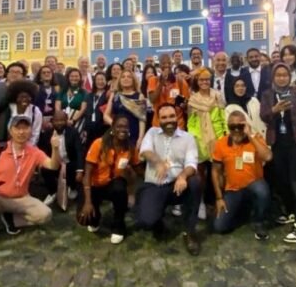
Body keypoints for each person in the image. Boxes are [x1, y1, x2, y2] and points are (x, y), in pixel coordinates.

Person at [0, 116, 57, 255]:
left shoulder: (34, 151)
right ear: (10, 130)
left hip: (21, 198)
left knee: (45, 214)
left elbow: (53, 165)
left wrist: (55, 149)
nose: (21, 132)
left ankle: (11, 219)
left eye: (25, 128)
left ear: (30, 131)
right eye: (18, 128)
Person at [260, 63, 296, 243]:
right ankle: (292, 211)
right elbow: (264, 116)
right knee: (283, 181)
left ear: (289, 76)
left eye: (285, 75)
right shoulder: (268, 95)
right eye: (278, 75)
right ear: (273, 77)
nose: (282, 78)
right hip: (277, 144)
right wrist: (274, 110)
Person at [136, 104, 203, 255]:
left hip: (177, 186)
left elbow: (192, 164)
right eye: (164, 117)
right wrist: (158, 162)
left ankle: (190, 232)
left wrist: (183, 176)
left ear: (177, 117)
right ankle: (157, 221)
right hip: (155, 184)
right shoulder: (152, 132)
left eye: (171, 116)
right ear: (158, 119)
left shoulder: (188, 138)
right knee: (146, 221)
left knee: (195, 182)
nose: (169, 120)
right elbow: (145, 151)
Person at [78, 115, 139, 245]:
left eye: (126, 127)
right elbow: (87, 174)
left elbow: (136, 173)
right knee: (84, 219)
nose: (123, 129)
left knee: (119, 188)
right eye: (119, 126)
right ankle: (95, 217)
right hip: (95, 185)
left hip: (114, 184)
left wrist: (131, 192)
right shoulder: (98, 144)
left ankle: (118, 225)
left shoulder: (130, 147)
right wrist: (87, 202)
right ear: (112, 128)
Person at [211, 111, 273, 240]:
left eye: (240, 126)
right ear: (228, 127)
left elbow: (267, 156)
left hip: (253, 184)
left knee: (262, 190)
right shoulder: (221, 143)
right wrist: (219, 198)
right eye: (232, 127)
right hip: (233, 189)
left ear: (245, 125)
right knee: (219, 227)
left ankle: (259, 221)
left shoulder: (255, 138)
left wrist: (250, 135)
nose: (237, 130)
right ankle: (243, 213)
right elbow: (215, 171)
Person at [187, 68, 227, 220]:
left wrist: (224, 134)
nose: (204, 82)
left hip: (217, 138)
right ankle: (201, 202)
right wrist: (194, 137)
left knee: (219, 170)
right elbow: (191, 122)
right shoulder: (193, 99)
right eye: (201, 80)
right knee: (201, 173)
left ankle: (220, 199)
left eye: (206, 79)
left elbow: (223, 117)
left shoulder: (217, 96)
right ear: (197, 82)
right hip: (199, 139)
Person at [41, 111, 85, 208]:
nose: (60, 123)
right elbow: (43, 152)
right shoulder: (47, 134)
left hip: (69, 163)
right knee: (44, 169)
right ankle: (53, 192)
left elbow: (79, 151)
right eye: (57, 120)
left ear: (66, 121)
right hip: (54, 162)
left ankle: (72, 187)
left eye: (62, 120)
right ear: (52, 121)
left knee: (74, 167)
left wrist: (80, 170)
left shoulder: (73, 132)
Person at [0, 80, 42, 146]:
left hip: (27, 147)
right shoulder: (7, 108)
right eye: (22, 97)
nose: (24, 99)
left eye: (27, 97)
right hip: (4, 146)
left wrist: (26, 149)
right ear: (15, 98)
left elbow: (35, 134)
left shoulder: (35, 111)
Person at [148, 54, 190, 129]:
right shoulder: (153, 80)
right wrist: (161, 83)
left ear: (172, 64)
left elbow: (187, 103)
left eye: (169, 63)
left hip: (178, 125)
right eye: (164, 63)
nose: (167, 65)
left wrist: (183, 104)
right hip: (158, 125)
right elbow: (152, 99)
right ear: (159, 65)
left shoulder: (180, 81)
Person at [104, 71, 146, 145]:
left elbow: (142, 119)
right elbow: (106, 115)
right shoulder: (114, 95)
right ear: (119, 80)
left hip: (133, 132)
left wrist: (140, 138)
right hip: (116, 132)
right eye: (123, 77)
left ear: (133, 80)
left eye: (129, 77)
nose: (126, 79)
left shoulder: (139, 96)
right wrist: (115, 124)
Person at [55, 67, 89, 141]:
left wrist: (73, 120)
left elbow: (83, 109)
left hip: (77, 121)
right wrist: (62, 119)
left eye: (76, 76)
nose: (74, 78)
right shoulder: (63, 91)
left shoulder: (84, 92)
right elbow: (57, 106)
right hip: (62, 122)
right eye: (72, 76)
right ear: (68, 78)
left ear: (80, 78)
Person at [34, 65, 59, 156]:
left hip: (53, 120)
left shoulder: (56, 88)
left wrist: (53, 121)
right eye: (43, 73)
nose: (46, 74)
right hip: (39, 119)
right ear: (39, 75)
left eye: (48, 72)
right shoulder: (35, 88)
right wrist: (41, 122)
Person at [86, 72, 111, 147]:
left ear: (106, 81)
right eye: (98, 79)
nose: (100, 82)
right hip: (90, 128)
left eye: (102, 79)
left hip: (103, 128)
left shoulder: (108, 95)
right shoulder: (89, 95)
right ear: (94, 82)